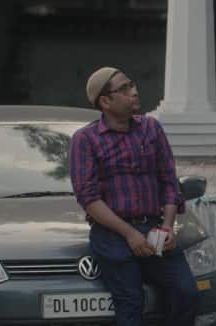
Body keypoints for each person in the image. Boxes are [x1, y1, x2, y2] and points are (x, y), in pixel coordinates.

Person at [68, 67, 199, 326]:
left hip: (155, 229)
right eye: (125, 89)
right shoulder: (85, 140)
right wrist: (129, 234)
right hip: (112, 235)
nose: (134, 92)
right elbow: (89, 197)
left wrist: (167, 226)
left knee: (186, 292)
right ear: (105, 101)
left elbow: (169, 181)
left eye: (132, 84)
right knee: (130, 303)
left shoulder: (151, 128)